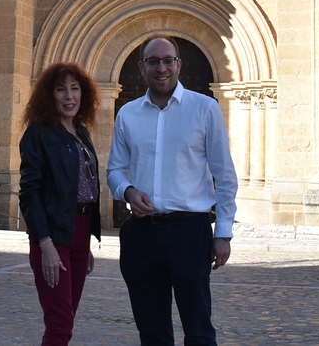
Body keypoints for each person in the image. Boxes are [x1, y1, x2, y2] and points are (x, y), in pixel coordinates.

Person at [107, 37, 238, 346]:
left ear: (179, 65)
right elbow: (114, 170)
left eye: (168, 60)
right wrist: (128, 192)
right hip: (142, 235)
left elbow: (224, 175)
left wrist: (223, 232)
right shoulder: (127, 114)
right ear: (142, 68)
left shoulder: (205, 108)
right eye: (153, 61)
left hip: (189, 234)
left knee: (199, 330)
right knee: (152, 333)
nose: (161, 68)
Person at [19, 63, 102, 346]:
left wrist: (84, 243)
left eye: (75, 88)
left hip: (80, 231)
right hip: (53, 236)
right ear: (49, 95)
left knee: (67, 317)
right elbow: (29, 192)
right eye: (61, 89)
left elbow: (81, 188)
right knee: (60, 324)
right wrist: (45, 243)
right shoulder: (39, 133)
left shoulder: (81, 132)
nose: (69, 96)